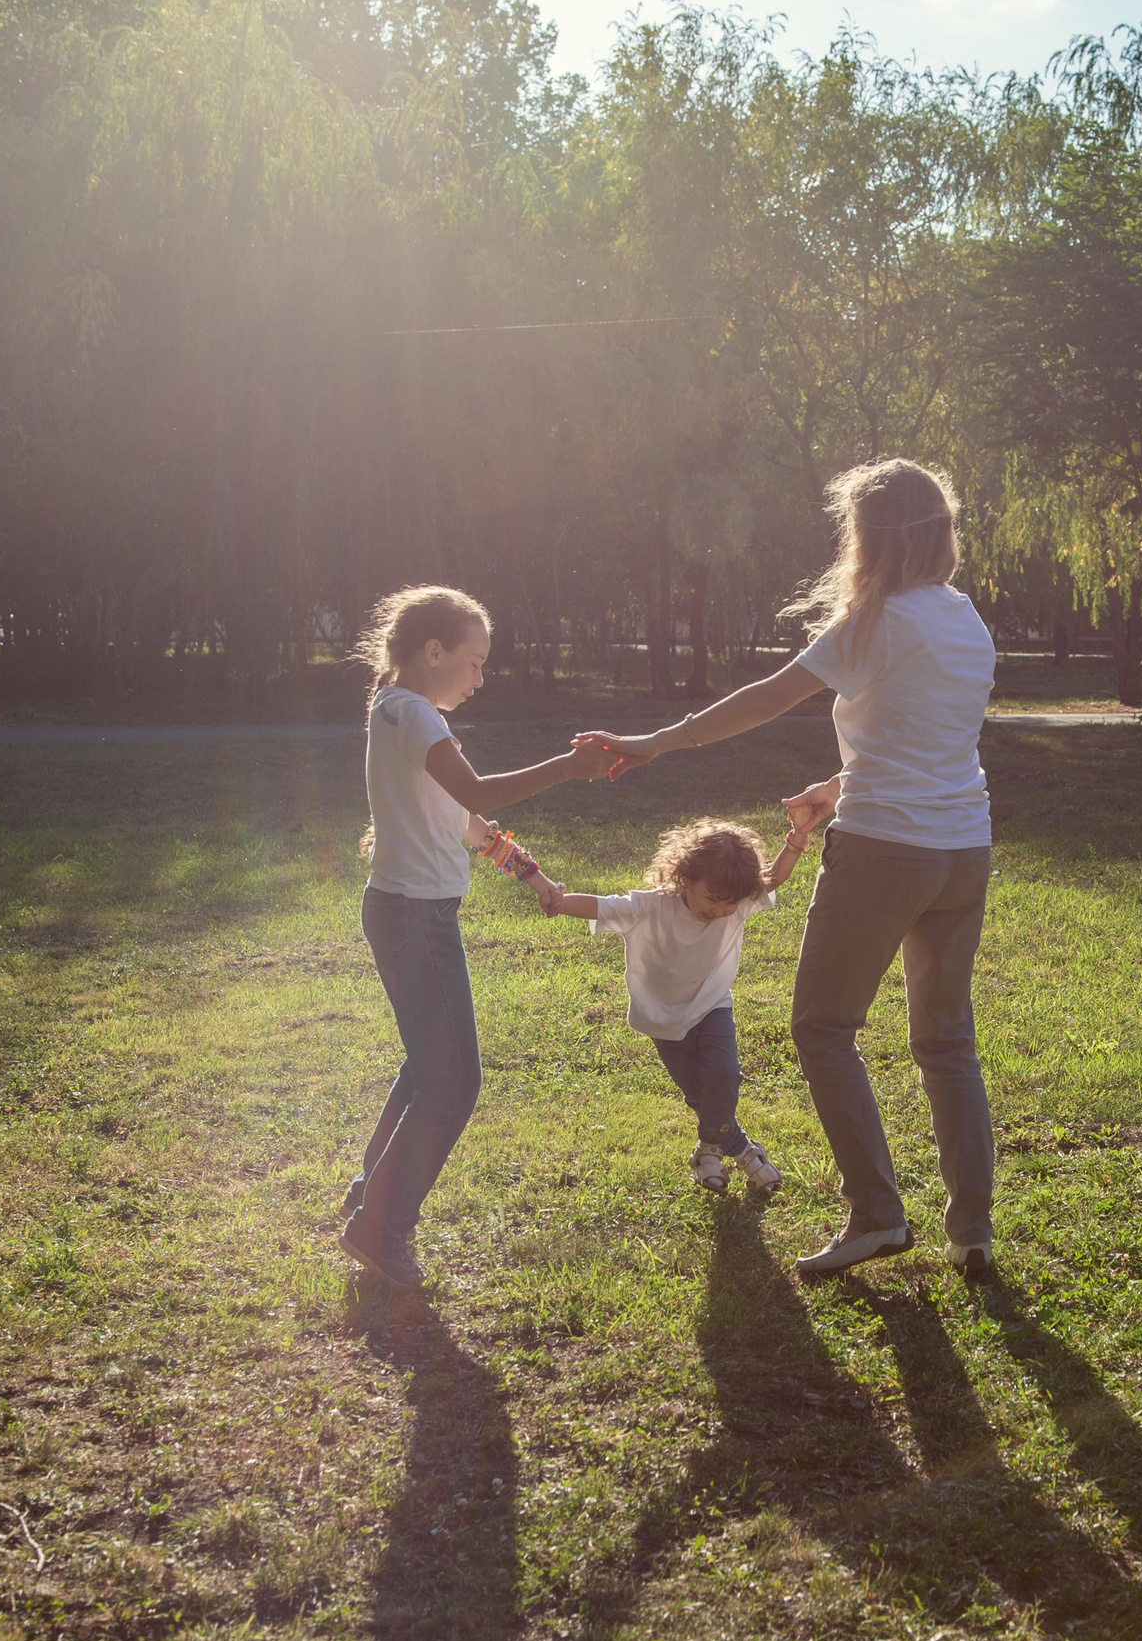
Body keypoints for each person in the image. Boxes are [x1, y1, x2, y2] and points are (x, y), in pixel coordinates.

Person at [579, 458, 999, 1281]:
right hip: (963, 849)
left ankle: (878, 1214)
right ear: (940, 532)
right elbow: (929, 737)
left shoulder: (876, 622)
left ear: (869, 537)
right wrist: (837, 784)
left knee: (822, 1028)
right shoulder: (965, 618)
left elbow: (762, 700)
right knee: (948, 1040)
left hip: (884, 850)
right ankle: (972, 1231)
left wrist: (653, 741)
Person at [339, 586, 617, 1286]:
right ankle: (379, 1225)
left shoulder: (401, 712)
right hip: (415, 917)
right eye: (473, 660)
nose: (480, 677)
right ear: (432, 652)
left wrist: (531, 876)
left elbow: (468, 821)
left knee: (426, 1065)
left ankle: (371, 1195)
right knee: (455, 1079)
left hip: (405, 910)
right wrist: (568, 765)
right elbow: (482, 793)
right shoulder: (411, 712)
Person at [525, 817, 807, 1196]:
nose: (722, 910)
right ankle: (715, 1150)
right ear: (686, 878)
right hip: (662, 1017)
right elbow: (602, 907)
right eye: (713, 899)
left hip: (712, 1006)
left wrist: (794, 845)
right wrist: (560, 902)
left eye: (730, 903)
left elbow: (773, 879)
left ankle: (735, 1153)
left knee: (725, 1075)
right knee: (699, 1094)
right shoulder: (651, 907)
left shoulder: (736, 900)